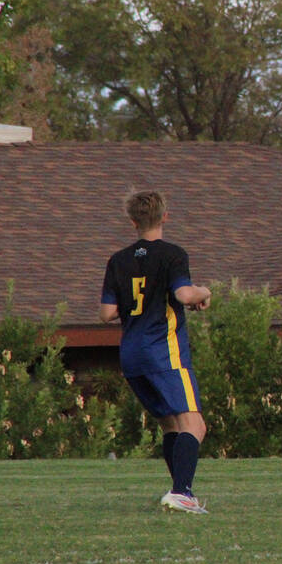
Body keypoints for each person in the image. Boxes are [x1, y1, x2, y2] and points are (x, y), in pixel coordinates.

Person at [100, 190, 213, 514]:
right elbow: (184, 293)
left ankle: (179, 492)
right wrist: (205, 292)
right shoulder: (172, 254)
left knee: (171, 425)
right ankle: (181, 493)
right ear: (165, 216)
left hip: (131, 355)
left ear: (133, 221)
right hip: (163, 351)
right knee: (195, 424)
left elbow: (107, 314)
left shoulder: (118, 260)